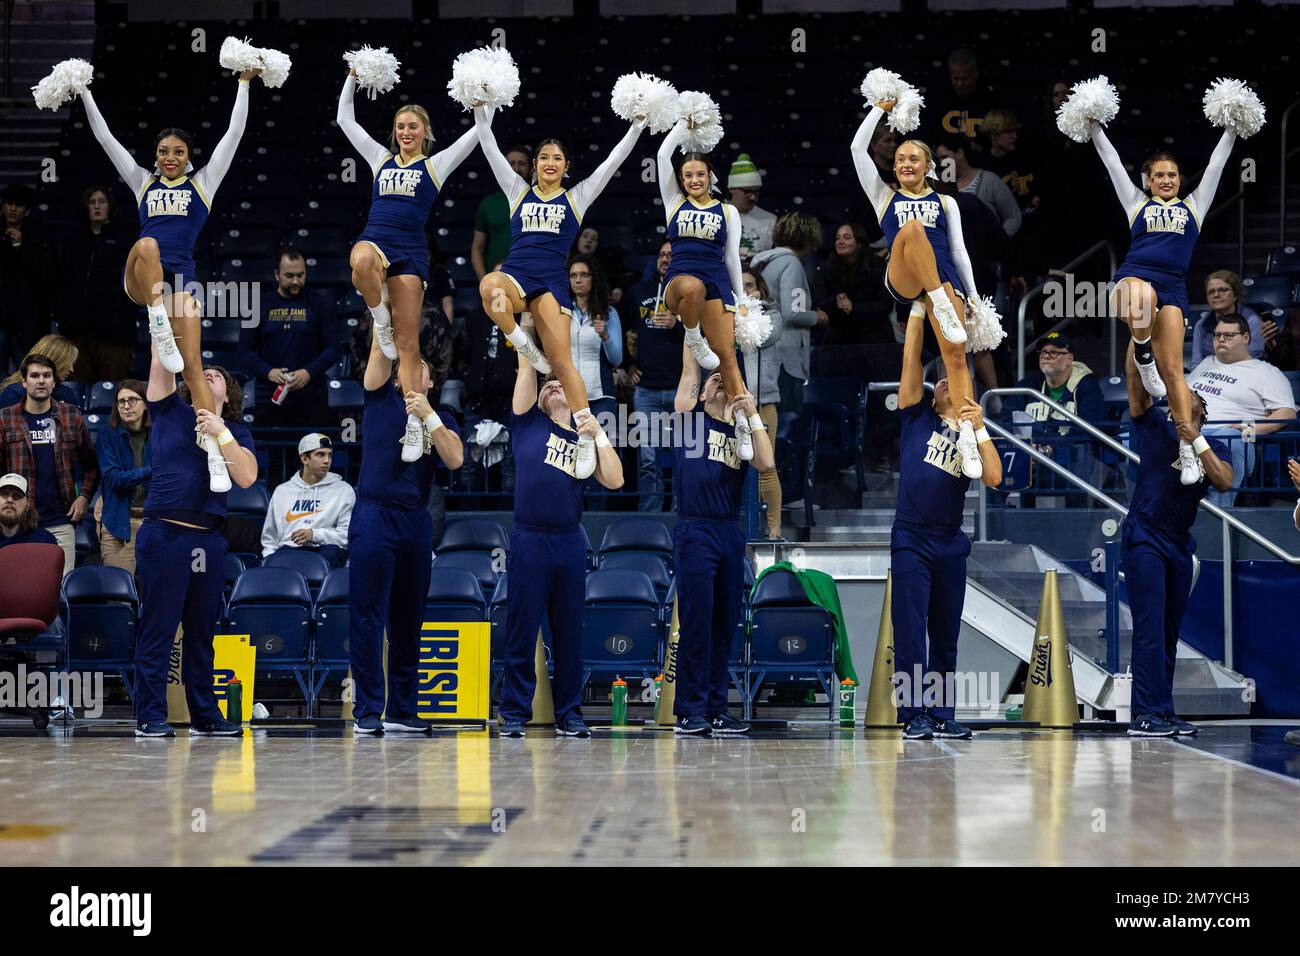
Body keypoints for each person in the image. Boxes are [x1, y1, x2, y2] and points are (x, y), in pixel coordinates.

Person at [80, 65, 259, 492]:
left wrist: (244, 84)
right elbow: (107, 140)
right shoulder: (143, 183)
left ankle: (214, 447)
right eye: (163, 151)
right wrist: (84, 91)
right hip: (141, 281)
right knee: (148, 246)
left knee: (193, 366)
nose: (170, 157)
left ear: (188, 156)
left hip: (182, 285)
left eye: (178, 151)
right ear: (156, 155)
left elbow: (232, 137)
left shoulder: (204, 184)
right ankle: (157, 322)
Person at [473, 100, 645, 481]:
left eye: (558, 158)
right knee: (489, 286)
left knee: (564, 364)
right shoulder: (517, 190)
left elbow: (611, 164)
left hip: (552, 283)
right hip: (517, 276)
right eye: (543, 157)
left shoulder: (576, 198)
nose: (550, 162)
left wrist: (636, 126)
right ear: (533, 165)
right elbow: (487, 144)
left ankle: (585, 433)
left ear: (567, 167)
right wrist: (481, 108)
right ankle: (523, 344)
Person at [1088, 107, 1238, 485]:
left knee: (1173, 370)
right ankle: (1142, 353)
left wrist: (1233, 128)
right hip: (1134, 280)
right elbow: (1111, 162)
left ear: (1180, 179)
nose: (1167, 180)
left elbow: (1217, 165)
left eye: (1172, 175)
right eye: (1159, 176)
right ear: (1149, 181)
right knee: (1143, 296)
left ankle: (1187, 446)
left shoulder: (1194, 207)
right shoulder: (1136, 203)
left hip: (1174, 287)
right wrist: (1093, 127)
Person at [338, 67, 480, 463]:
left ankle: (416, 424)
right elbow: (345, 119)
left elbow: (477, 138)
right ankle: (378, 318)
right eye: (400, 125)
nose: (405, 132)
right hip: (377, 241)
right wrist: (352, 75)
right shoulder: (379, 159)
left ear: (426, 133)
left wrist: (484, 106)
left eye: (413, 127)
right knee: (360, 260)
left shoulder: (434, 166)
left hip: (411, 254)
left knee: (409, 347)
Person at [852, 96, 992, 478]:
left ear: (929, 167)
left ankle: (967, 430)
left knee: (957, 359)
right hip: (903, 277)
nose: (904, 164)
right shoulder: (884, 197)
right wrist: (880, 108)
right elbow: (855, 148)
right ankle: (939, 302)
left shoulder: (947, 203)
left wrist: (974, 297)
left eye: (913, 159)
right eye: (899, 159)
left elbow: (960, 251)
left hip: (944, 280)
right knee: (912, 230)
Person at [498, 350, 624, 739]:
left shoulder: (583, 437)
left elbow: (615, 480)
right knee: (521, 630)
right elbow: (526, 366)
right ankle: (515, 713)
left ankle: (570, 714)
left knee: (569, 633)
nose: (553, 385)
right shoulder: (528, 424)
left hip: (570, 541)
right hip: (530, 538)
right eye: (546, 384)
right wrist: (527, 326)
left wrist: (597, 432)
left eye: (561, 384)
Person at [133, 350, 258, 738]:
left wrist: (220, 431)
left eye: (216, 374)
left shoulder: (236, 431)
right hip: (165, 534)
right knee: (159, 628)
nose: (207, 374)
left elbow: (248, 478)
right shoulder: (171, 410)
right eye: (202, 372)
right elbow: (160, 364)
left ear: (229, 391)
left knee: (202, 632)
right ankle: (150, 717)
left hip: (207, 540)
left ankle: (205, 715)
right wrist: (165, 324)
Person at [891, 303, 1002, 739]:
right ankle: (912, 715)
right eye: (939, 383)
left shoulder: (973, 434)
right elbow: (909, 363)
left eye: (950, 382)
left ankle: (941, 713)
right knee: (911, 630)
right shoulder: (916, 417)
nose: (944, 385)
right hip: (911, 538)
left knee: (945, 634)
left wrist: (980, 428)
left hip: (950, 541)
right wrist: (919, 313)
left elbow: (993, 478)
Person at [349, 325, 464, 735]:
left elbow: (454, 459)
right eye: (408, 369)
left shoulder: (443, 416)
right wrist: (390, 315)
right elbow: (381, 354)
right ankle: (366, 711)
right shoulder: (380, 396)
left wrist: (428, 415)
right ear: (399, 375)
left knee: (408, 618)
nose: (414, 375)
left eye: (423, 371)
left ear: (431, 382)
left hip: (414, 518)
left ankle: (401, 709)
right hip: (374, 514)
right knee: (367, 615)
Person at [1122, 344, 1233, 737]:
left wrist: (1196, 440)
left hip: (1178, 543)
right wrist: (1136, 339)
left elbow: (1223, 481)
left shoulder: (1213, 447)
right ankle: (1144, 714)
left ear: (1203, 411)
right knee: (1150, 627)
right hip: (1145, 536)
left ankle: (1163, 709)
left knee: (1170, 631)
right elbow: (1136, 385)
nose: (1184, 398)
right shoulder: (1156, 427)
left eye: (1193, 397)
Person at [670, 344, 774, 736]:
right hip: (695, 530)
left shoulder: (741, 430)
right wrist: (694, 329)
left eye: (724, 380)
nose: (719, 382)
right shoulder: (688, 419)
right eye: (711, 380)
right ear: (700, 393)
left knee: (723, 625)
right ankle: (689, 710)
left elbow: (766, 463)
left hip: (730, 531)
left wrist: (750, 414)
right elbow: (689, 371)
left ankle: (716, 706)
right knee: (696, 623)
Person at [655, 117, 749, 435]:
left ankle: (744, 422)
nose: (694, 180)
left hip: (717, 282)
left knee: (727, 358)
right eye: (687, 175)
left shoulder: (728, 212)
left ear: (710, 176)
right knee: (693, 288)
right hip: (679, 281)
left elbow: (732, 257)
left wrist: (743, 300)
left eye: (700, 174)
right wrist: (685, 122)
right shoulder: (674, 202)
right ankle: (694, 338)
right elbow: (661, 155)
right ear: (680, 180)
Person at [0, 352, 98, 576]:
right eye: (34, 376)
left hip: (60, 523)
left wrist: (84, 497)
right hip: (15, 526)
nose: (41, 380)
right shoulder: (4, 419)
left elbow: (91, 464)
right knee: (16, 591)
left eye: (46, 375)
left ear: (55, 381)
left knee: (58, 596)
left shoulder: (71, 416)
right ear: (24, 382)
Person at [1186, 315, 1297, 506]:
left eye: (1228, 335)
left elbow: (1287, 412)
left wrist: (1249, 430)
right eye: (1217, 335)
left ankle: (1219, 514)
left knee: (1233, 438)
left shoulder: (1266, 373)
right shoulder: (1206, 363)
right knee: (1135, 432)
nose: (1220, 339)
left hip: (1226, 434)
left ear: (1246, 338)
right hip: (1185, 430)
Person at [238, 247, 343, 429]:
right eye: (289, 276)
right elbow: (244, 350)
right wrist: (268, 371)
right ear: (277, 274)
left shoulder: (321, 304)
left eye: (301, 275)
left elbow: (333, 347)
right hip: (269, 395)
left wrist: (308, 372)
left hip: (311, 394)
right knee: (273, 454)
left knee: (313, 453)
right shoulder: (257, 306)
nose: (296, 281)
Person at [624, 241, 684, 512]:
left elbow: (704, 335)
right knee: (648, 458)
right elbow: (620, 331)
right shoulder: (638, 292)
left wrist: (678, 324)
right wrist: (627, 366)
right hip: (646, 389)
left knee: (681, 455)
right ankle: (649, 513)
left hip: (679, 387)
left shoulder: (689, 295)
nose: (665, 259)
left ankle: (679, 511)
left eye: (671, 255)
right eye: (661, 254)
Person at [58, 185, 138, 383]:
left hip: (115, 334)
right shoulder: (74, 240)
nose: (96, 206)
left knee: (111, 393)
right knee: (75, 390)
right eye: (92, 202)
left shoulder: (125, 239)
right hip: (77, 333)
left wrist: (125, 312)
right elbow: (63, 282)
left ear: (110, 206)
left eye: (101, 201)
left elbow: (135, 282)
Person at [751, 212, 826, 417]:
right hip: (786, 357)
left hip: (767, 353)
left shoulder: (762, 262)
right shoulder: (791, 264)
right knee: (787, 419)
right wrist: (817, 317)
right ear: (809, 239)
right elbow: (794, 312)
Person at [459, 262, 519, 502]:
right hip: (477, 400)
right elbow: (460, 353)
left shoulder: (523, 317)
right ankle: (469, 520)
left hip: (512, 402)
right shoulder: (475, 318)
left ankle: (507, 523)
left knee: (510, 467)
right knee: (469, 465)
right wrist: (472, 376)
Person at [261, 433, 354, 570]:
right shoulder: (282, 491)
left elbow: (347, 536)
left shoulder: (343, 490)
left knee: (329, 557)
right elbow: (270, 537)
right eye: (320, 454)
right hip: (289, 549)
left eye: (330, 455)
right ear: (305, 459)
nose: (327, 460)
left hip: (327, 550)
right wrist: (268, 559)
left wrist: (314, 535)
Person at [742, 269, 785, 539]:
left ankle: (773, 529)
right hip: (732, 403)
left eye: (750, 285)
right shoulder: (726, 314)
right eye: (741, 285)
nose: (746, 289)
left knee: (766, 467)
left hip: (763, 401)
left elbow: (757, 338)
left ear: (761, 289)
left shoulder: (773, 316)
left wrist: (750, 309)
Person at [95, 379, 151, 576]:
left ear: (145, 403)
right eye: (121, 401)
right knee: (120, 597)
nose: (126, 406)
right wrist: (151, 470)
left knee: (157, 594)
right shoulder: (107, 436)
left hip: (155, 523)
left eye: (133, 400)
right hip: (120, 525)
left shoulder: (158, 434)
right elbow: (114, 479)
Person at [0, 182, 56, 366]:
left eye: (19, 205)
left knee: (26, 372)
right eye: (9, 204)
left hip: (28, 321)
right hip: (2, 317)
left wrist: (20, 247)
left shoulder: (40, 235)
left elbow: (45, 277)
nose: (13, 209)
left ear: (28, 210)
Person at [566, 254, 622, 432]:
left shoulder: (609, 313)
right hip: (569, 397)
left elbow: (617, 360)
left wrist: (604, 334)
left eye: (584, 275)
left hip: (601, 397)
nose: (578, 280)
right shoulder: (563, 312)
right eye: (573, 275)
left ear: (593, 278)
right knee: (571, 455)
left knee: (605, 456)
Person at [935, 132, 1022, 238]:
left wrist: (998, 241)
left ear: (959, 153)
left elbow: (1014, 216)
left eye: (944, 157)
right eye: (939, 159)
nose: (941, 163)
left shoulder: (989, 180)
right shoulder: (937, 183)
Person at [471, 143, 531, 281]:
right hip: (497, 282)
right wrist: (484, 283)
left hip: (533, 280)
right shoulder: (489, 203)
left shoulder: (542, 201)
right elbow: (477, 250)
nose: (516, 169)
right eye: (511, 164)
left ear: (531, 168)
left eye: (522, 164)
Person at [1190, 270, 1265, 366]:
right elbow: (1197, 364)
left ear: (1235, 295)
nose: (1216, 295)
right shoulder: (1201, 325)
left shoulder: (1252, 322)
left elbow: (1252, 362)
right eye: (1211, 292)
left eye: (1222, 290)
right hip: (1211, 377)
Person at [931, 49, 996, 147]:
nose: (960, 84)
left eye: (965, 79)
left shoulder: (990, 100)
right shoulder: (938, 100)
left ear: (975, 74)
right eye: (956, 79)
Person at [0, 334, 81, 407]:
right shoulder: (14, 393)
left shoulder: (66, 394)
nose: (71, 369)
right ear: (55, 361)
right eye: (68, 363)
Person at [727, 153, 777, 265]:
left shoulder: (770, 220)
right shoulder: (717, 216)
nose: (753, 197)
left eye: (756, 191)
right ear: (731, 189)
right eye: (747, 191)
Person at [0, 473, 59, 549]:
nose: (10, 500)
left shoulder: (44, 541)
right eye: (4, 494)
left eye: (17, 495)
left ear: (27, 504)